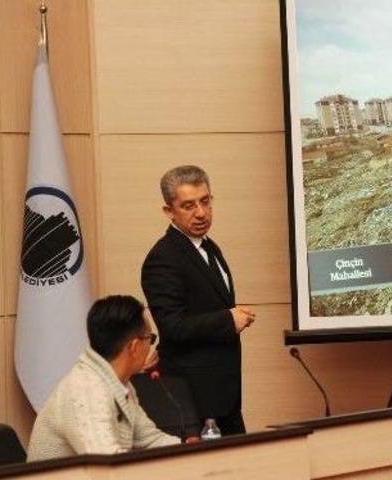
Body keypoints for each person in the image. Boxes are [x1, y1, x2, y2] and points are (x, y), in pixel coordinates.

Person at [141, 165, 255, 436]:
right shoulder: (163, 259)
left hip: (223, 395)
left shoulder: (208, 246)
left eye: (205, 201)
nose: (201, 213)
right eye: (188, 206)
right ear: (169, 211)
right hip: (193, 399)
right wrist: (227, 319)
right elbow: (172, 327)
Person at [27, 295, 180, 461]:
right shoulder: (86, 391)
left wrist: (194, 450)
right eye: (150, 339)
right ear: (134, 347)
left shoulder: (119, 382)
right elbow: (108, 467)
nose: (150, 347)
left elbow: (150, 440)